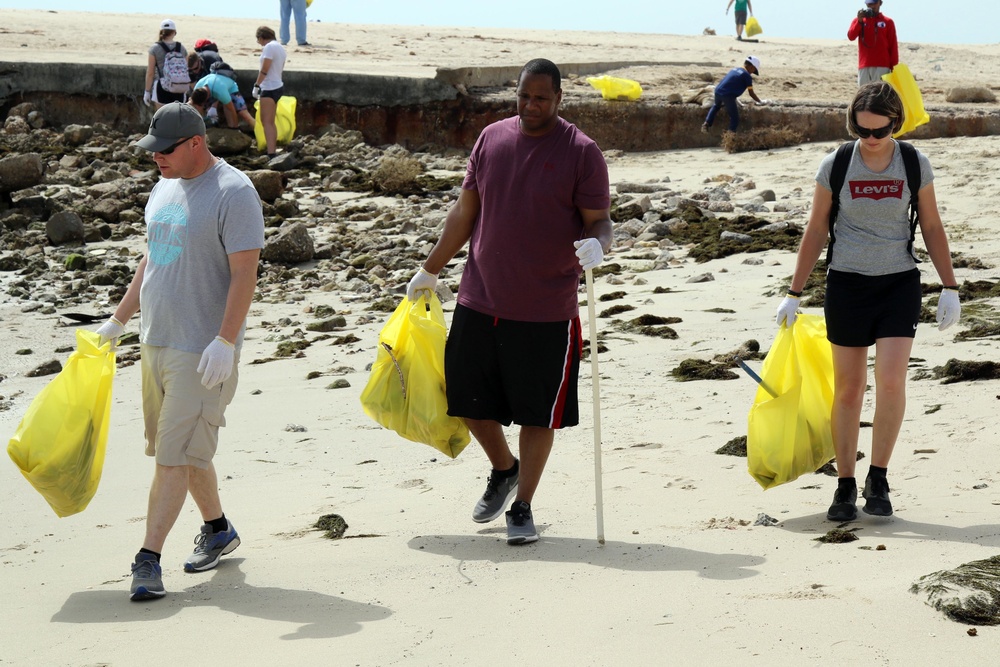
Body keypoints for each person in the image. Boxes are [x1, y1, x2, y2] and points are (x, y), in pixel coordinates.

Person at [405, 58, 612, 546]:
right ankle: (504, 469)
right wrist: (430, 269)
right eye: (524, 95)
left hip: (546, 310)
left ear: (559, 98)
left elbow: (599, 220)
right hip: (480, 298)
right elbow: (465, 212)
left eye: (541, 97)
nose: (531, 105)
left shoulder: (582, 152)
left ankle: (523, 507)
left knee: (538, 414)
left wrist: (600, 244)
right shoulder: (491, 139)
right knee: (466, 398)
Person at [95, 102, 264, 601]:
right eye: (152, 150)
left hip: (202, 351)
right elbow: (152, 256)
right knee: (183, 452)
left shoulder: (235, 193)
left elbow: (244, 273)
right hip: (156, 342)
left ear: (196, 142)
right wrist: (119, 319)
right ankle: (218, 530)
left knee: (171, 456)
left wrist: (225, 341)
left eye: (165, 150)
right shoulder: (163, 186)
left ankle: (147, 560)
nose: (156, 159)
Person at [775, 82, 960, 522]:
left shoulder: (914, 163)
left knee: (892, 383)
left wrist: (950, 286)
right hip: (847, 286)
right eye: (863, 130)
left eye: (879, 131)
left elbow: (931, 226)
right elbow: (816, 229)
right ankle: (844, 485)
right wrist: (793, 292)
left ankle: (878, 476)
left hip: (898, 284)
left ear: (895, 124)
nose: (871, 140)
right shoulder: (837, 163)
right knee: (849, 390)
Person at [701, 56, 766, 134]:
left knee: (716, 106)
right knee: (735, 118)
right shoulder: (747, 76)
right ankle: (730, 136)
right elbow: (751, 93)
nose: (752, 73)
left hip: (718, 91)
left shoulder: (734, 69)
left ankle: (706, 124)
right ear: (752, 67)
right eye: (753, 71)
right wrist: (760, 101)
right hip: (728, 96)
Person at [252, 26, 287, 159]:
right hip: (278, 85)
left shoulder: (269, 47)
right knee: (270, 121)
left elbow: (265, 69)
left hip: (269, 87)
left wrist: (257, 85)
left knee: (266, 121)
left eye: (258, 39)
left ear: (262, 37)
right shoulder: (280, 48)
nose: (258, 43)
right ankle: (272, 150)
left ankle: (271, 152)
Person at [848, 0, 898, 86]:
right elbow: (851, 36)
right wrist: (859, 22)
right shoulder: (859, 20)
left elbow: (893, 46)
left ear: (880, 3)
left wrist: (894, 67)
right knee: (864, 95)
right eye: (869, 4)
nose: (872, 6)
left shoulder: (888, 22)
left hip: (882, 65)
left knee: (880, 95)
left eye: (874, 3)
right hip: (864, 64)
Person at [144, 19, 189, 109]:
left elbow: (150, 73)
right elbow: (187, 69)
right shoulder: (181, 48)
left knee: (161, 118)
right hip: (179, 87)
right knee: (176, 119)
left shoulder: (155, 48)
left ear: (161, 32)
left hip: (161, 86)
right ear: (174, 32)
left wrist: (147, 91)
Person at [192, 66, 256, 130]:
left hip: (231, 89)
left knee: (244, 114)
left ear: (207, 97)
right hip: (215, 85)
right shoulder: (197, 89)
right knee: (198, 108)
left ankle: (260, 131)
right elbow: (192, 104)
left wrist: (236, 127)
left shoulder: (221, 92)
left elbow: (232, 109)